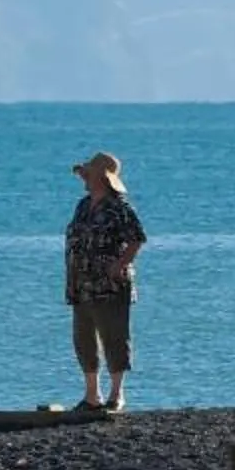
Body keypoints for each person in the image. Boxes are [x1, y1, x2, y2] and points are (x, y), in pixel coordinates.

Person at [64, 151, 147, 413]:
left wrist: (119, 265)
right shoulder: (83, 205)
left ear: (102, 177)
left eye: (88, 174)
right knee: (83, 339)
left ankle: (116, 393)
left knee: (114, 337)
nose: (85, 179)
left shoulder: (119, 207)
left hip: (110, 285)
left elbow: (137, 239)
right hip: (81, 283)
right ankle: (91, 395)